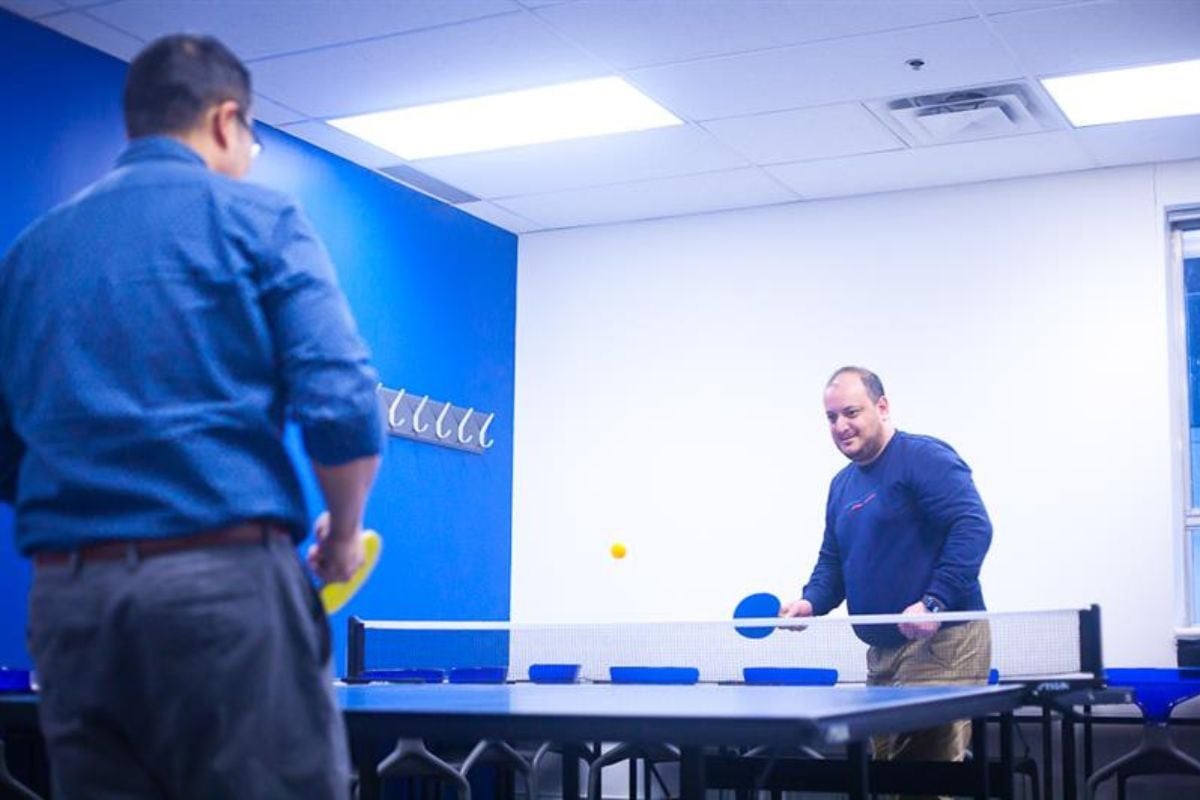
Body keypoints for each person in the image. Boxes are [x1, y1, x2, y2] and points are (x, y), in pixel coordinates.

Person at [0, 34, 382, 799]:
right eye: (251, 138)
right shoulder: (259, 217)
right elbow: (340, 403)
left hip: (70, 606)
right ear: (225, 120)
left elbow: (9, 449)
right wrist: (342, 538)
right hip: (221, 590)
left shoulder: (31, 253)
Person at [781, 366, 992, 782]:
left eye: (851, 412)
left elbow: (973, 526)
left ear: (882, 406)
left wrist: (935, 601)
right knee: (887, 778)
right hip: (881, 654)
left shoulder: (923, 457)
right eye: (831, 417)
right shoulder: (841, 486)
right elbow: (833, 563)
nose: (841, 426)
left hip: (943, 642)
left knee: (920, 781)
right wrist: (810, 602)